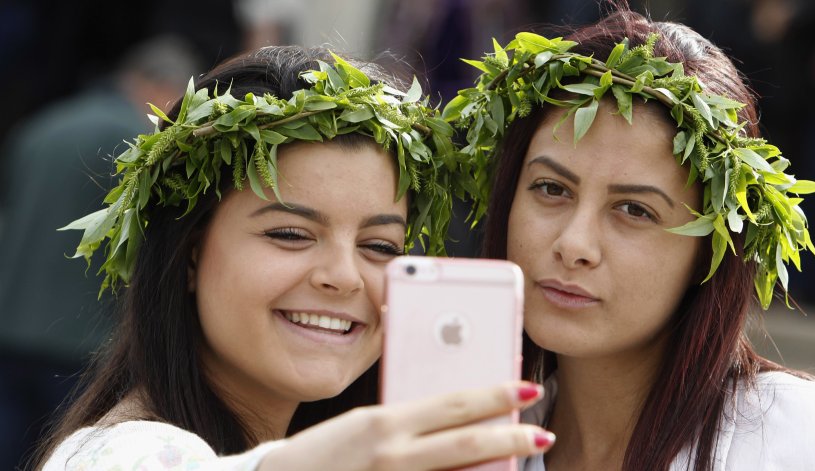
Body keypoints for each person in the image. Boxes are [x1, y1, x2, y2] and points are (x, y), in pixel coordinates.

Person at [32, 46, 555, 470]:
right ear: (189, 252)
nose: (344, 278)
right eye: (290, 233)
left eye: (379, 247)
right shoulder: (125, 453)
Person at [445, 3, 815, 470]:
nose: (574, 245)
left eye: (633, 210)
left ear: (710, 251)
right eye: (551, 188)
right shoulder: (463, 449)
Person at [0, 35, 199, 470]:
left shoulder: (42, 125)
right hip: (76, 338)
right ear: (157, 85)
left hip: (11, 326)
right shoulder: (131, 138)